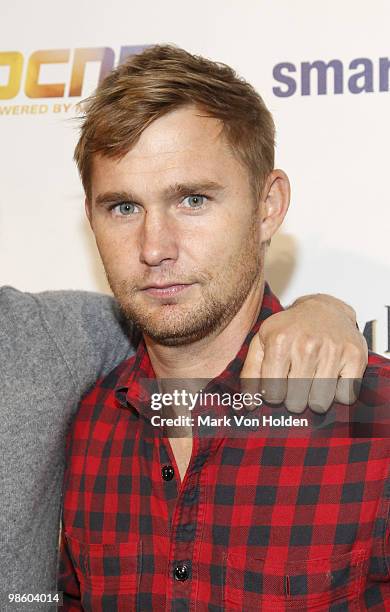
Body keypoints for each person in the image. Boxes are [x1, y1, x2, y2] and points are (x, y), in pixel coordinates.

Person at [57, 44, 389, 610]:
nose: (154, 248)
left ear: (268, 206)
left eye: (192, 200)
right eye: (123, 208)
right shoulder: (86, 423)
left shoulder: (375, 419)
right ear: (91, 218)